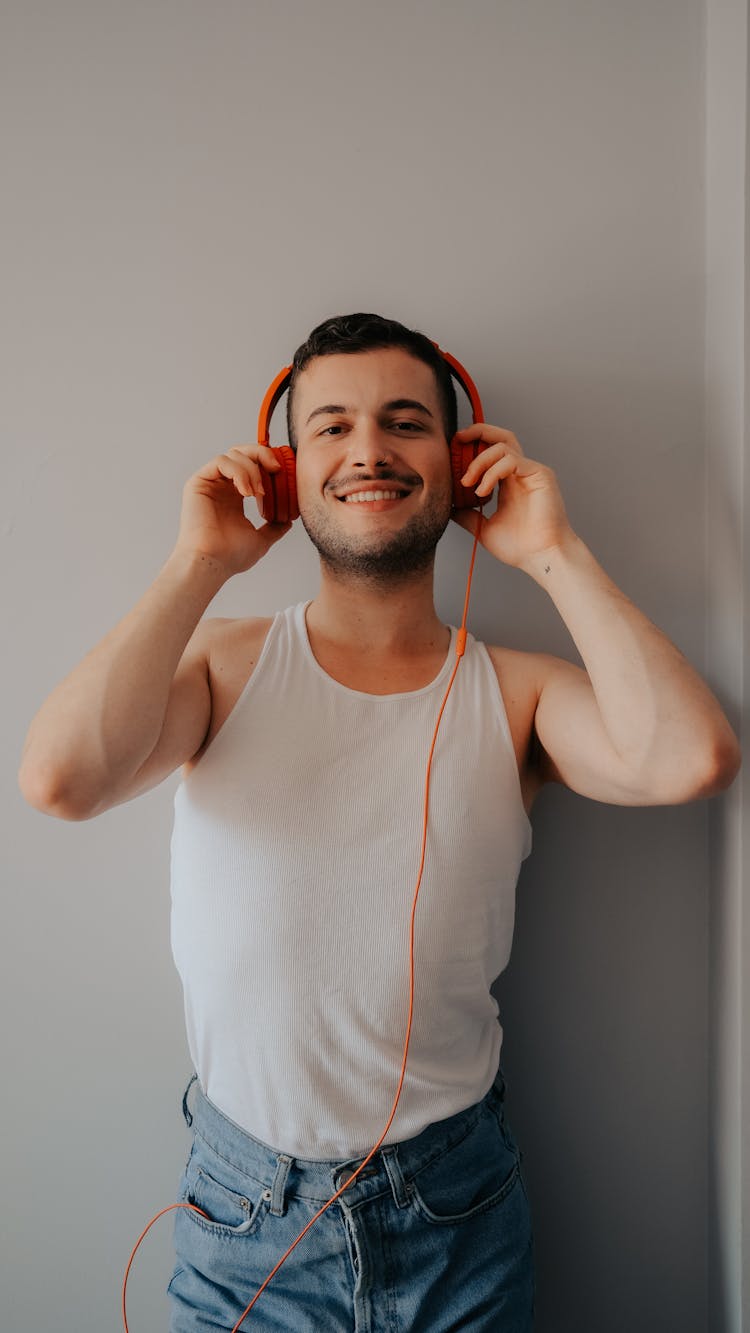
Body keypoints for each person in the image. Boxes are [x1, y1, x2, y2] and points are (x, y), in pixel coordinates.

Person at [18, 312, 741, 1332]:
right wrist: (199, 562)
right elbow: (60, 778)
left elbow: (691, 756)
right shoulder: (224, 663)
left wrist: (553, 550)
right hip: (245, 1221)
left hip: (456, 1213)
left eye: (405, 423)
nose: (368, 449)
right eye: (331, 427)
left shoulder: (517, 692)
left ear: (458, 462)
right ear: (285, 466)